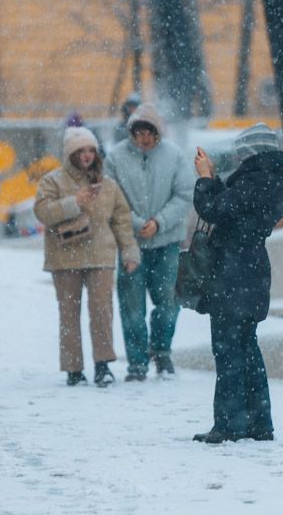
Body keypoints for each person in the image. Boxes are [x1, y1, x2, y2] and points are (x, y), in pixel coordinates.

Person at [191, 123, 283, 444]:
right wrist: (216, 181)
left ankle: (229, 424)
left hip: (232, 275)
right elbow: (233, 210)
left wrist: (205, 179)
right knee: (248, 349)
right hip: (254, 273)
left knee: (228, 351)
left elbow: (213, 210)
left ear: (250, 153)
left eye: (241, 151)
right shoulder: (271, 183)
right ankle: (260, 423)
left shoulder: (251, 183)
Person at [34, 127, 139, 387]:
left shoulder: (108, 184)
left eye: (91, 150)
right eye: (80, 151)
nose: (86, 155)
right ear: (70, 153)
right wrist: (74, 201)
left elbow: (121, 220)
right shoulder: (52, 181)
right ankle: (73, 369)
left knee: (102, 312)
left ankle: (103, 366)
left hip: (101, 256)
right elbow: (43, 212)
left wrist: (129, 251)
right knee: (69, 313)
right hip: (64, 257)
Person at [106, 103, 193, 381]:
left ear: (158, 133)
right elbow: (111, 197)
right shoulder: (116, 158)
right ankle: (137, 362)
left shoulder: (174, 156)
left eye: (150, 133)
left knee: (168, 303)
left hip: (167, 242)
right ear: (131, 132)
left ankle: (162, 351)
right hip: (131, 244)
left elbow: (184, 194)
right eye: (139, 132)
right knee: (132, 307)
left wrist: (159, 222)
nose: (144, 138)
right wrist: (135, 223)